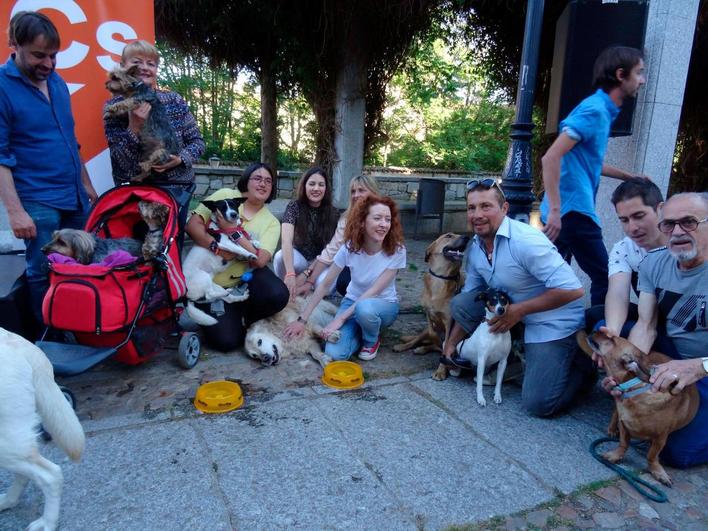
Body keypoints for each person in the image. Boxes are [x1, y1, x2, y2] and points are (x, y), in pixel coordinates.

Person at [442, 179, 593, 417]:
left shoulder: (526, 241)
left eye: (486, 206)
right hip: (512, 313)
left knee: (539, 404)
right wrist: (451, 344)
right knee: (461, 303)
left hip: (552, 320)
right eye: (472, 208)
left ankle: (583, 366)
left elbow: (574, 290)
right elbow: (470, 299)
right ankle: (514, 354)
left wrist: (520, 311)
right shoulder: (476, 247)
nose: (477, 214)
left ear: (504, 208)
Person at [0, 11, 97, 322]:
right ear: (14, 43)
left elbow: (71, 140)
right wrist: (15, 211)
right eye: (39, 55)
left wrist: (86, 183)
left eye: (53, 56)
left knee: (82, 265)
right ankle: (48, 338)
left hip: (74, 195)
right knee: (43, 271)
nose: (49, 64)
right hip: (38, 199)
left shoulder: (56, 83)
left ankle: (78, 327)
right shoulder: (2, 87)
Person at [600, 192, 708, 468]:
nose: (677, 232)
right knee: (603, 329)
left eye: (689, 222)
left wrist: (700, 367)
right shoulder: (654, 262)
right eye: (669, 225)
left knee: (677, 454)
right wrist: (628, 374)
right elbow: (646, 325)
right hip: (674, 350)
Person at [540, 46, 647, 306]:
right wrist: (556, 211)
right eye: (639, 73)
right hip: (573, 213)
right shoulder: (595, 111)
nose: (642, 80)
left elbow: (589, 163)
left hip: (567, 213)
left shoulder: (601, 110)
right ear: (621, 75)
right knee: (605, 277)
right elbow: (551, 157)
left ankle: (534, 335)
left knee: (550, 280)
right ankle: (603, 335)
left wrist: (629, 176)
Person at [103, 39, 205, 246]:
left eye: (151, 63)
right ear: (124, 67)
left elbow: (197, 143)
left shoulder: (174, 101)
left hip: (176, 189)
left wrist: (180, 159)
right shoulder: (114, 107)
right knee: (137, 248)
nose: (144, 68)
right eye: (137, 62)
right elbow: (120, 161)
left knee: (170, 247)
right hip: (135, 192)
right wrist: (134, 126)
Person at [284, 195, 406, 361]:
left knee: (365, 309)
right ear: (362, 221)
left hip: (382, 305)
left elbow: (374, 291)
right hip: (352, 302)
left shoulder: (397, 250)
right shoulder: (349, 247)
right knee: (334, 353)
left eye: (387, 219)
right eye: (377, 218)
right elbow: (325, 284)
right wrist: (302, 320)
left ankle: (371, 340)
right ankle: (360, 333)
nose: (384, 224)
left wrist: (340, 319)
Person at [185, 163, 288, 351]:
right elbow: (192, 225)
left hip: (243, 282)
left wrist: (232, 231)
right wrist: (216, 247)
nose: (263, 184)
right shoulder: (225, 196)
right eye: (257, 178)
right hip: (210, 282)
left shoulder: (272, 222)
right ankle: (226, 315)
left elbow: (260, 260)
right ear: (246, 180)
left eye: (268, 181)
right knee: (227, 342)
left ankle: (246, 316)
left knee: (279, 294)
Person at [586, 178, 666, 333]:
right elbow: (618, 293)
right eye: (624, 220)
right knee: (596, 319)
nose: (632, 228)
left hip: (686, 323)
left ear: (660, 210)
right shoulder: (624, 248)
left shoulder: (681, 244)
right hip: (649, 318)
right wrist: (612, 332)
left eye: (639, 216)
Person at [293, 174, 380, 298]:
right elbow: (331, 251)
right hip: (355, 264)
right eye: (353, 191)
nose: (356, 195)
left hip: (378, 263)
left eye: (361, 190)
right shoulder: (346, 218)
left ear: (373, 192)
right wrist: (309, 280)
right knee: (343, 282)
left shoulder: (385, 214)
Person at [273, 167, 339, 299]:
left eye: (321, 184)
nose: (316, 189)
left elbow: (330, 251)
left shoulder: (334, 213)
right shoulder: (294, 207)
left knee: (326, 285)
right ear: (304, 186)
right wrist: (291, 273)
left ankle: (307, 291)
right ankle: (287, 285)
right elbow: (286, 241)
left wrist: (306, 274)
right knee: (280, 256)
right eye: (312, 184)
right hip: (300, 259)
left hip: (321, 263)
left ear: (326, 189)